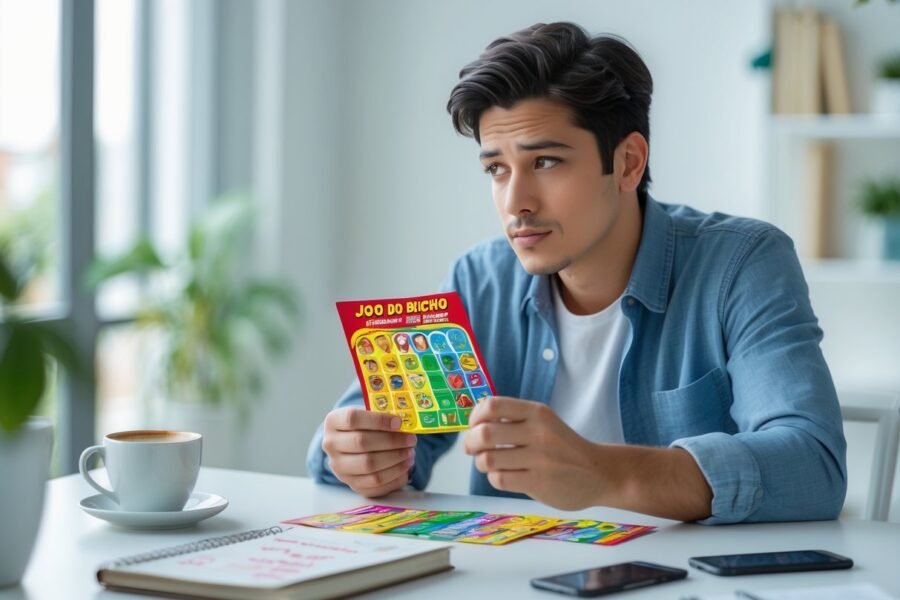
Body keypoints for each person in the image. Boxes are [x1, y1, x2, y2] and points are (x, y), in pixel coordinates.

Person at [307, 22, 847, 524]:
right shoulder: (480, 279)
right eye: (497, 169)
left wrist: (601, 472)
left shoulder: (742, 264)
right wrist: (355, 456)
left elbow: (813, 465)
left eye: (545, 162)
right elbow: (372, 448)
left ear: (629, 163)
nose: (515, 202)